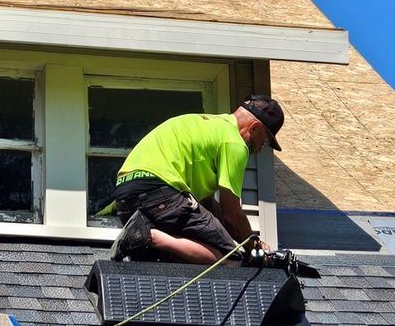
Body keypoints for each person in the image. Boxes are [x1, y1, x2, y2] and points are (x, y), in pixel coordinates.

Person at [110, 97, 284, 265]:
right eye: (266, 141)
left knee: (185, 255)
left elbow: (208, 207)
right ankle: (147, 236)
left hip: (127, 194)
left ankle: (141, 238)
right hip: (160, 190)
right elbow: (231, 214)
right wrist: (254, 247)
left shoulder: (207, 125)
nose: (261, 148)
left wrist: (231, 237)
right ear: (254, 128)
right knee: (230, 259)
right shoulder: (235, 143)